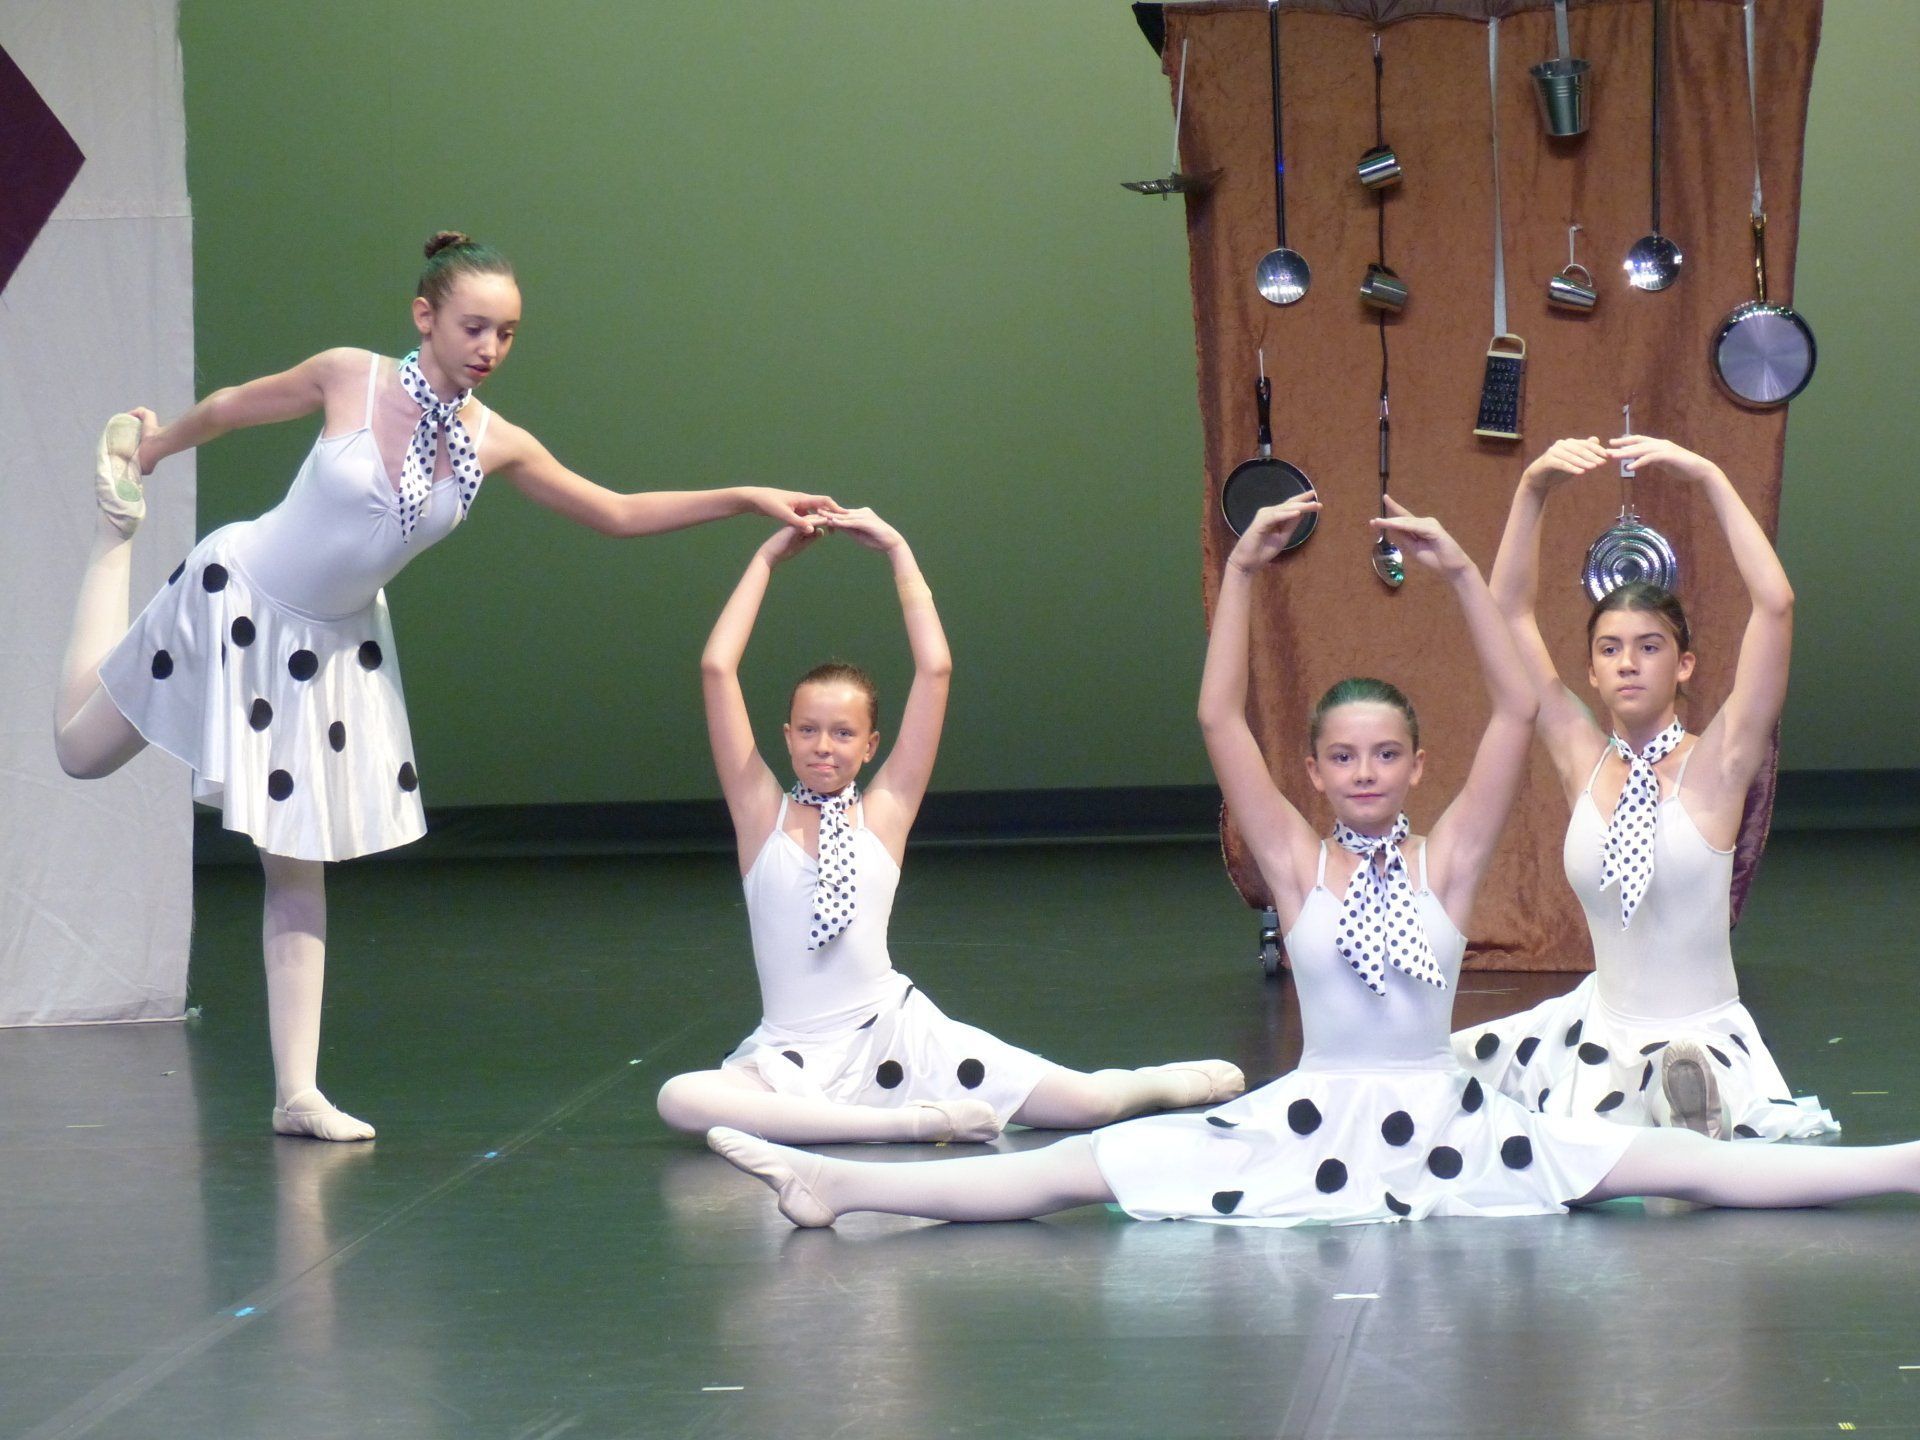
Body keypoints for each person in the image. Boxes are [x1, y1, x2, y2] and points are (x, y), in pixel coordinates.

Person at [704, 496, 1920, 1226]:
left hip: (1448, 1122)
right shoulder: (1295, 862)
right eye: (1342, 756)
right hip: (1316, 1113)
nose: (1366, 773)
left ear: (1412, 761)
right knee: (1080, 1173)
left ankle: (1905, 1164)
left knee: (1682, 1171)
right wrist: (1238, 575)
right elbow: (1220, 722)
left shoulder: (1449, 863)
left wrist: (1456, 577)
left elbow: (1513, 713)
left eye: (1387, 753)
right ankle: (848, 1188)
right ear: (1320, 770)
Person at [56, 232, 840, 1141]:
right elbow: (234, 407)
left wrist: (746, 496)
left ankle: (296, 1093)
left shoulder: (491, 442)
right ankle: (114, 539)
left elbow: (616, 514)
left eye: (507, 334)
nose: (490, 350)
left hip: (330, 653)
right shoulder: (351, 377)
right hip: (241, 597)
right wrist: (155, 448)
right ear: (425, 317)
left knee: (296, 861)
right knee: (80, 753)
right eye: (475, 327)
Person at [654, 509, 1245, 1144]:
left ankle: (1167, 1082)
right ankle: (910, 1124)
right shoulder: (759, 814)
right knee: (679, 1099)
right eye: (808, 729)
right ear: (788, 735)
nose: (823, 746)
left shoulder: (885, 812)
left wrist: (899, 551)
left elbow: (935, 669)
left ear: (871, 743)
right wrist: (766, 559)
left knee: (1087, 1105)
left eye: (843, 732)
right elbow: (718, 668)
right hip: (789, 1056)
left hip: (898, 1034)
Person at [1452, 435, 1836, 1141]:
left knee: (1680, 1096)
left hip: (1700, 1032)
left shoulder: (1718, 763)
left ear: (1685, 665)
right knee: (1435, 1080)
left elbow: (1775, 605)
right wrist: (1532, 488)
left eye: (1649, 646)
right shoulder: (1581, 759)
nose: (1628, 663)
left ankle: (1686, 1110)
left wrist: (1710, 473)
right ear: (1591, 672)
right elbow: (1508, 613)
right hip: (1597, 1030)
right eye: (1609, 649)